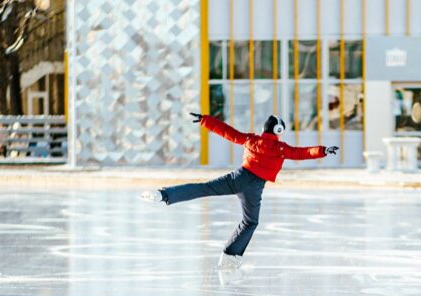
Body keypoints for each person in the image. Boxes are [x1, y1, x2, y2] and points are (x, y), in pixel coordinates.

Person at [140, 112, 339, 269]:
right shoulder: (281, 148)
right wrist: (323, 150)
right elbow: (302, 153)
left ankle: (163, 194)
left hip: (237, 177)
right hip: (253, 188)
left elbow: (227, 132)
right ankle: (229, 256)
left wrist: (205, 120)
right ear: (278, 130)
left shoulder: (251, 140)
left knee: (203, 188)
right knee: (250, 222)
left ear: (264, 129)